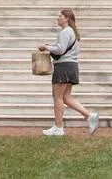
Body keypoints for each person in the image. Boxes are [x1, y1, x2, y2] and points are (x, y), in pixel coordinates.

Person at [40, 8, 98, 137]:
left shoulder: (65, 32)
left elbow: (60, 50)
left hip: (63, 67)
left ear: (66, 18)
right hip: (71, 66)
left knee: (58, 97)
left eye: (60, 16)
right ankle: (89, 115)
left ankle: (58, 126)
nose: (58, 18)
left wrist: (46, 47)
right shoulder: (72, 32)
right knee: (66, 97)